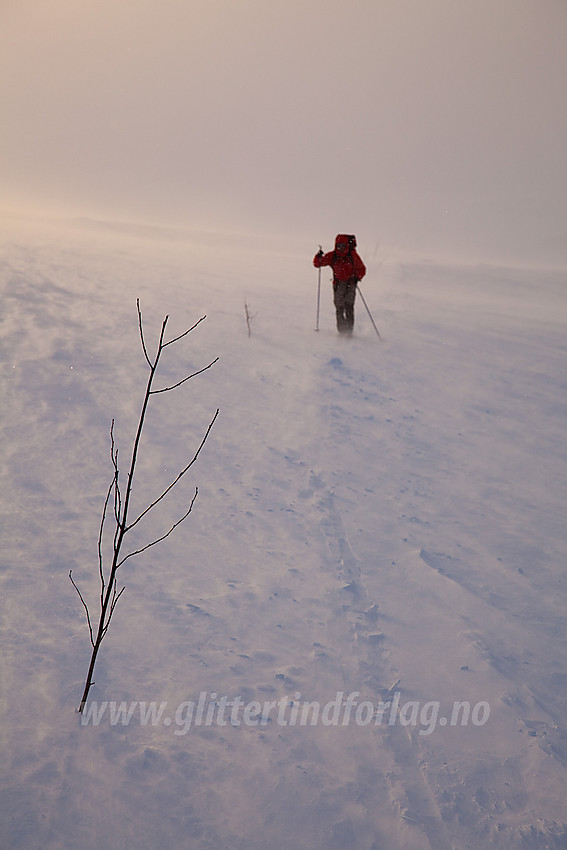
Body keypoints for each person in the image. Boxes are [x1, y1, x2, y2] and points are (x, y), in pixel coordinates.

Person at [313, 234, 366, 335]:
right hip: (338, 284)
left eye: (343, 246)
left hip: (351, 283)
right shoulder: (333, 256)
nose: (340, 248)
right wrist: (318, 257)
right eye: (338, 245)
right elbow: (318, 264)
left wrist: (357, 278)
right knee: (339, 307)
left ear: (347, 245)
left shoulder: (352, 256)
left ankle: (349, 332)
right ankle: (342, 331)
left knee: (349, 306)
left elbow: (362, 269)